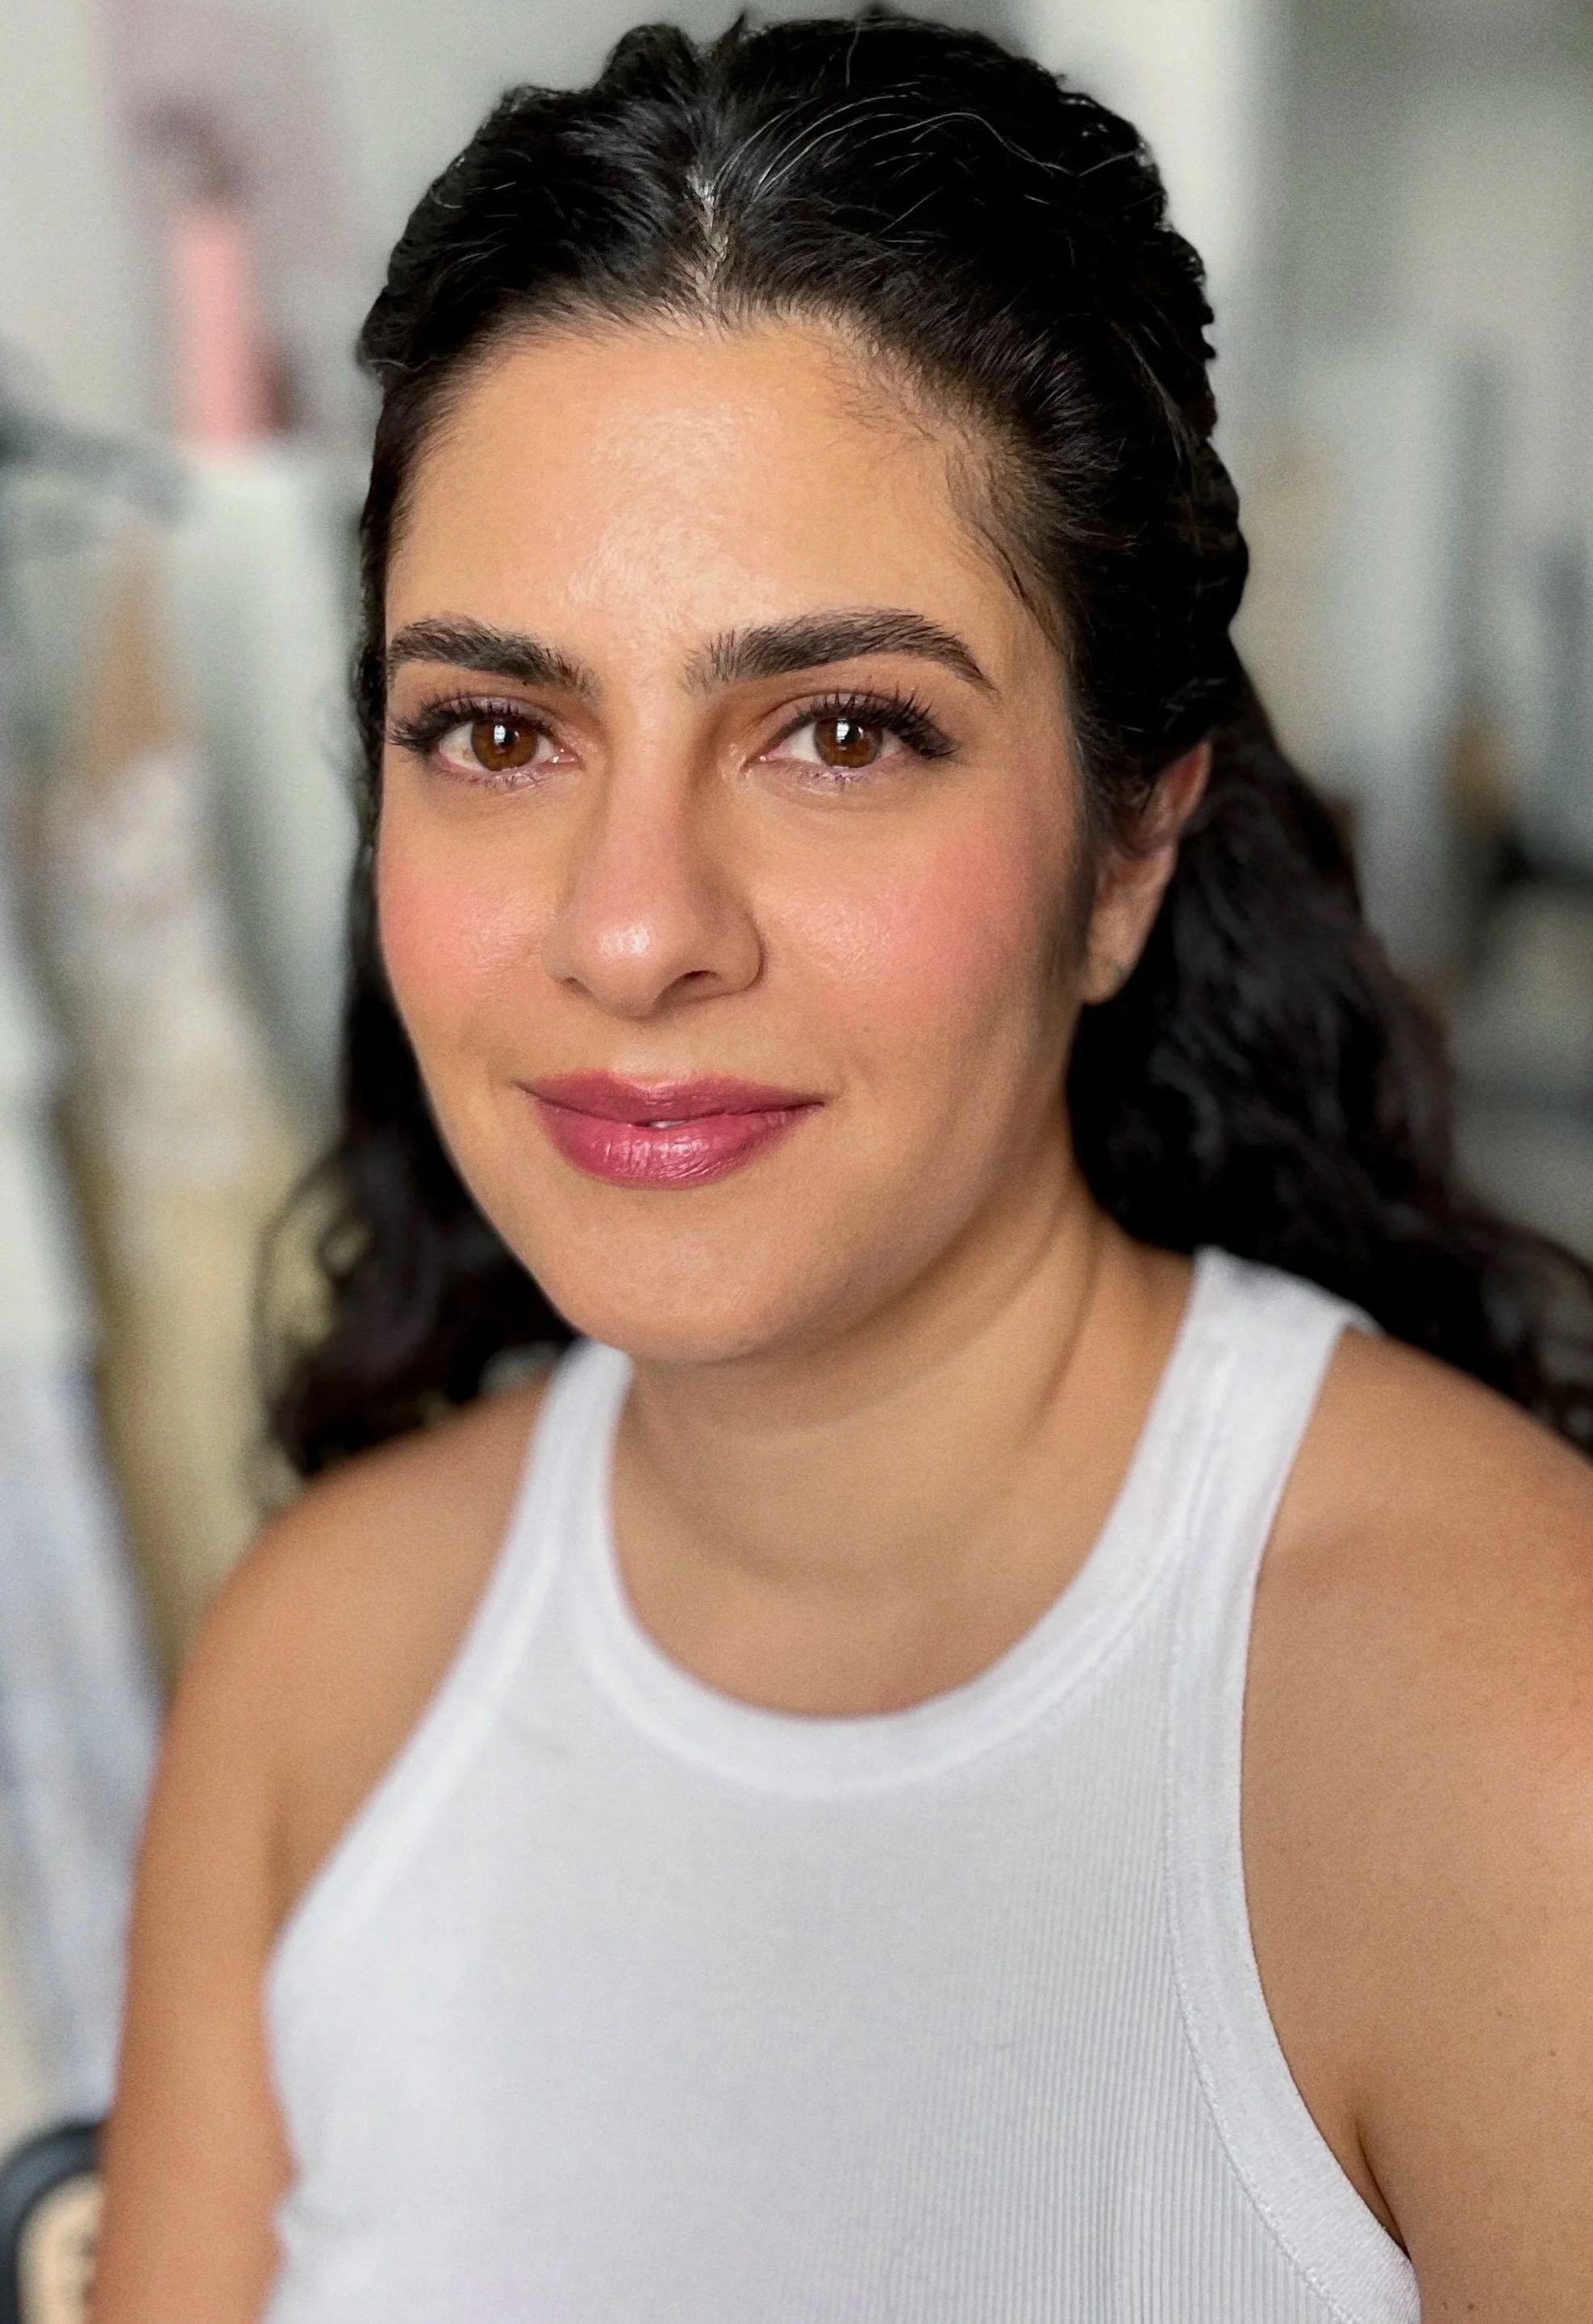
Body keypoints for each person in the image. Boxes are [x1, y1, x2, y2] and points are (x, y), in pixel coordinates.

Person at [93, 14, 1593, 2322]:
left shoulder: (1514, 1742)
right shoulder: (324, 1669)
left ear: (1124, 850)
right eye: (495, 729)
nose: (630, 927)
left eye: (837, 730)